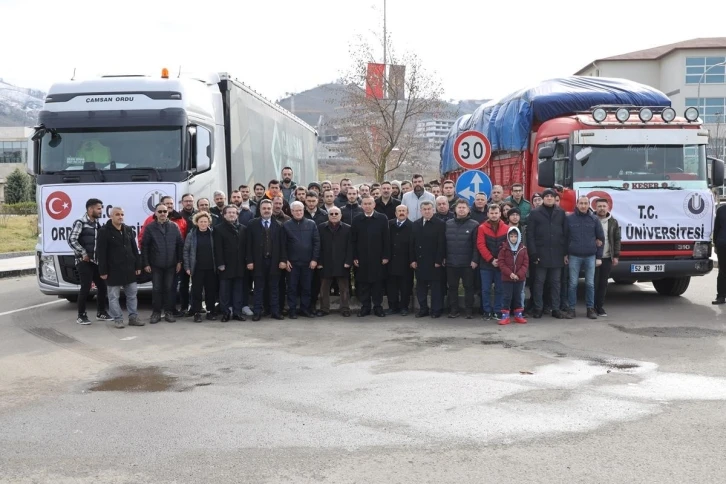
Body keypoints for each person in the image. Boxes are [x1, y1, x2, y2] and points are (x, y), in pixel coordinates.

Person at [96, 206, 142, 328]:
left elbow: (134, 248)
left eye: (122, 214)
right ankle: (118, 319)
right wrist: (103, 271)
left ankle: (133, 318)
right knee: (113, 297)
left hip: (129, 269)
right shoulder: (104, 231)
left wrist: (137, 265)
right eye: (117, 214)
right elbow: (101, 253)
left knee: (132, 295)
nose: (120, 217)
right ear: (111, 216)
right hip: (113, 270)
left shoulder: (127, 229)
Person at [68, 198, 110, 325]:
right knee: (85, 288)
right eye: (98, 208)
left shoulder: (97, 224)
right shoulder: (80, 222)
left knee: (102, 287)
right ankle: (81, 315)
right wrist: (83, 253)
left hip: (95, 262)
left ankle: (101, 312)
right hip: (83, 261)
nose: (101, 211)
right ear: (90, 209)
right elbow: (72, 240)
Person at [527, 189, 567, 319]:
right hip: (540, 254)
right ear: (543, 198)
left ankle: (555, 309)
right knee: (539, 282)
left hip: (557, 254)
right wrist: (533, 253)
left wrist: (565, 253)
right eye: (547, 196)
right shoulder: (535, 213)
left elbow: (565, 234)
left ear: (555, 198)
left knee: (556, 283)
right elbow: (530, 235)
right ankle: (538, 308)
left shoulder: (561, 213)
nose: (549, 198)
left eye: (552, 196)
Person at [141, 202, 184, 323]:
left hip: (171, 265)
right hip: (156, 265)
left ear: (168, 212)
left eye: (164, 211)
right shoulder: (150, 227)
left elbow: (180, 245)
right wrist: (146, 263)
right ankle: (156, 313)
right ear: (155, 213)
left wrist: (179, 261)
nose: (162, 214)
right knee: (157, 289)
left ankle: (169, 312)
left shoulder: (174, 226)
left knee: (169, 289)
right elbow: (145, 246)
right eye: (159, 211)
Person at [246, 200, 287, 321]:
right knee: (258, 288)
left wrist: (283, 260)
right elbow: (248, 245)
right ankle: (257, 312)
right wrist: (249, 261)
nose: (266, 210)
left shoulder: (279, 225)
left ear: (272, 209)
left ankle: (275, 311)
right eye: (264, 208)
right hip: (258, 262)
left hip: (274, 261)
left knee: (274, 288)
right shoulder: (252, 224)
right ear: (260, 209)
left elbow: (283, 245)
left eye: (269, 208)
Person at [565, 196, 604, 320]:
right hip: (574, 256)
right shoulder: (569, 219)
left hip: (590, 256)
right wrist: (565, 254)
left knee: (590, 284)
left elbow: (600, 239)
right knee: (572, 284)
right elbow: (565, 238)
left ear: (589, 205)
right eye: (581, 203)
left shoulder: (594, 219)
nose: (583, 206)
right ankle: (571, 309)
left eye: (585, 203)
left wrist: (599, 257)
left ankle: (590, 309)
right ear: (576, 204)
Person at [351, 196, 390, 317]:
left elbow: (387, 238)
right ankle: (365, 307)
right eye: (365, 204)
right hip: (362, 257)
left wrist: (386, 255)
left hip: (378, 257)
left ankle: (378, 307)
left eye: (369, 204)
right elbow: (353, 240)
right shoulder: (357, 219)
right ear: (361, 205)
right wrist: (354, 256)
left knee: (377, 283)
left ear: (374, 205)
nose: (367, 206)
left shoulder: (382, 218)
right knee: (363, 284)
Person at [283, 201, 321, 318]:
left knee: (307, 287)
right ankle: (292, 310)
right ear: (291, 212)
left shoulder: (311, 224)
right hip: (292, 263)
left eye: (300, 210)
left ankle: (305, 309)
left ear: (303, 210)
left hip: (308, 262)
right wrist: (285, 259)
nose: (298, 212)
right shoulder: (286, 225)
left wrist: (314, 259)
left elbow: (316, 243)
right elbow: (282, 244)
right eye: (295, 210)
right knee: (292, 288)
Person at [411, 200, 446, 318]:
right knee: (421, 287)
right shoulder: (415, 224)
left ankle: (436, 310)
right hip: (420, 261)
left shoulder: (440, 224)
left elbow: (441, 244)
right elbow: (412, 244)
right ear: (420, 211)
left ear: (433, 210)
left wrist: (438, 260)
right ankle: (423, 309)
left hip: (434, 261)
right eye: (424, 209)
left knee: (436, 288)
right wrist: (413, 260)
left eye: (429, 209)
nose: (426, 211)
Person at [444, 199, 479, 319]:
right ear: (455, 209)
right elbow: (444, 243)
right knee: (452, 287)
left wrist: (475, 260)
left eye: (464, 207)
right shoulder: (448, 224)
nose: (461, 209)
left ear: (468, 210)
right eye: (459, 207)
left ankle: (469, 310)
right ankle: (454, 310)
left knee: (469, 287)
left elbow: (476, 245)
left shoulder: (474, 225)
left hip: (467, 264)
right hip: (451, 263)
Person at [317, 206, 353, 317]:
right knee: (324, 288)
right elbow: (317, 246)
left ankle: (345, 308)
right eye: (331, 214)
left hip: (342, 263)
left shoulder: (348, 228)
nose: (333, 216)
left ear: (341, 215)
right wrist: (319, 261)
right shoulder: (321, 228)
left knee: (344, 288)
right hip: (325, 262)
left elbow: (351, 246)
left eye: (336, 214)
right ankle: (324, 309)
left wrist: (348, 261)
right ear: (328, 216)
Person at [214, 204, 248, 322]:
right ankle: (226, 313)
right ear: (224, 215)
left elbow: (246, 248)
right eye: (229, 212)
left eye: (234, 212)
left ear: (237, 214)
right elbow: (217, 249)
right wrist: (220, 264)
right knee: (224, 292)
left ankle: (237, 313)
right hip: (225, 266)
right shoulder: (218, 229)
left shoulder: (243, 228)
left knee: (238, 290)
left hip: (240, 265)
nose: (232, 214)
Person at [477, 203, 509, 320]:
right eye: (492, 213)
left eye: (496, 213)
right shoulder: (482, 228)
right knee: (485, 289)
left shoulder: (506, 228)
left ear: (500, 214)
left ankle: (498, 310)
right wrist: (491, 259)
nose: (494, 215)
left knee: (500, 289)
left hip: (501, 265)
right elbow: (481, 245)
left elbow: (507, 246)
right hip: (486, 264)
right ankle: (486, 311)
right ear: (488, 214)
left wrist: (499, 261)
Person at [184, 212, 217, 322]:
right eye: (201, 222)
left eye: (205, 222)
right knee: (196, 291)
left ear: (209, 222)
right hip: (197, 268)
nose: (203, 224)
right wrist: (187, 267)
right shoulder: (191, 235)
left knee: (210, 291)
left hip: (211, 268)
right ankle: (197, 312)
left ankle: (210, 311)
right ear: (196, 222)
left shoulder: (213, 234)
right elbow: (186, 251)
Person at [594, 198, 621, 316]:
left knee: (603, 283)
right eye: (599, 206)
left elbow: (617, 239)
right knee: (592, 283)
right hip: (593, 257)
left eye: (604, 206)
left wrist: (616, 256)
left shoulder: (613, 222)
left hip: (607, 257)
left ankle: (599, 307)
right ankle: (591, 307)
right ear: (595, 208)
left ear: (608, 207)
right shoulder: (591, 219)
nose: (602, 208)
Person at [497, 227, 529, 325]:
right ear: (508, 237)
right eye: (511, 236)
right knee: (507, 296)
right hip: (507, 278)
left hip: (519, 278)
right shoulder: (503, 248)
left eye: (515, 236)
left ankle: (518, 315)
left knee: (518, 296)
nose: (513, 238)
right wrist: (510, 273)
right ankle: (505, 316)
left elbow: (525, 263)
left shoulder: (523, 249)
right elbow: (501, 263)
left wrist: (518, 274)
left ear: (519, 236)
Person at [386, 205, 414, 315]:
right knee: (391, 286)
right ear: (395, 213)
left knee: (405, 286)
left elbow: (414, 245)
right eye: (399, 211)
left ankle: (404, 307)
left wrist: (412, 260)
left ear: (407, 213)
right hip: (391, 261)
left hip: (406, 262)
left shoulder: (412, 225)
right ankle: (392, 307)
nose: (401, 213)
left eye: (403, 211)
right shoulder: (389, 224)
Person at [714, 201, 726, 305]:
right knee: (722, 270)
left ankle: (721, 297)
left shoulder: (721, 210)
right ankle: (721, 296)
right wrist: (715, 245)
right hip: (722, 244)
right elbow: (716, 228)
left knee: (722, 271)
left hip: (722, 243)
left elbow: (716, 229)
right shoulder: (721, 210)